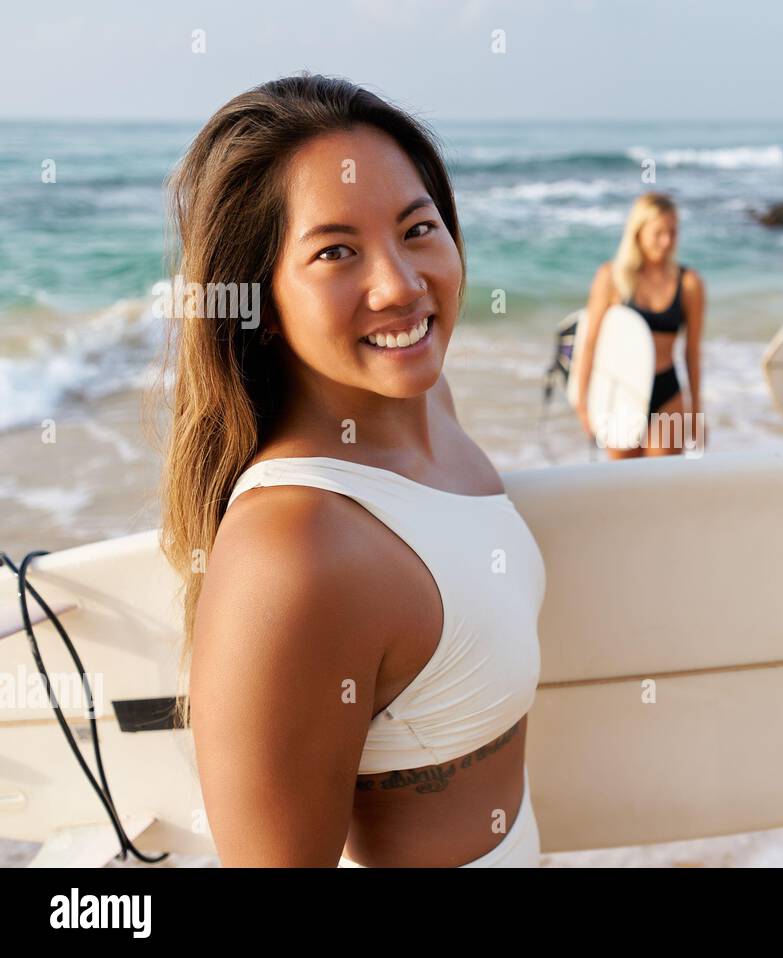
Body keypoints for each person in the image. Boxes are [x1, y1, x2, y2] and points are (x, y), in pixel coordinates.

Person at [155, 74, 544, 867]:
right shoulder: (293, 551)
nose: (400, 285)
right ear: (256, 303)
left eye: (418, 229)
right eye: (336, 251)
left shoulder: (432, 407)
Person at [575, 193, 706, 458]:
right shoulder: (611, 278)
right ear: (638, 232)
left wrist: (697, 413)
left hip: (666, 392)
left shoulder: (689, 283)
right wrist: (583, 403)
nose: (667, 241)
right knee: (623, 487)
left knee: (662, 486)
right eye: (658, 232)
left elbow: (692, 353)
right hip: (622, 392)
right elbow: (589, 344)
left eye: (672, 232)